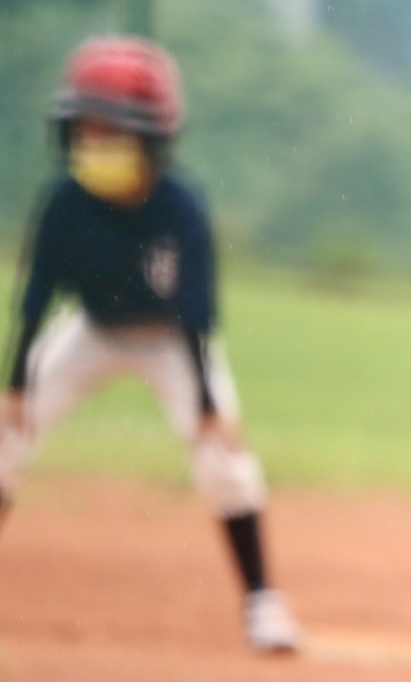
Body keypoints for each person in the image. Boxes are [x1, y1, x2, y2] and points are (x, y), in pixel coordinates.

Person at [1, 36, 301, 655]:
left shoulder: (179, 208)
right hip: (90, 331)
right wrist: (17, 386)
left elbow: (197, 313)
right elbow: (36, 295)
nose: (95, 142)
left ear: (153, 139)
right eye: (86, 128)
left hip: (169, 341)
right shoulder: (65, 201)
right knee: (3, 441)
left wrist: (210, 406)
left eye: (111, 130)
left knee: (224, 462)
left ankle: (263, 604)